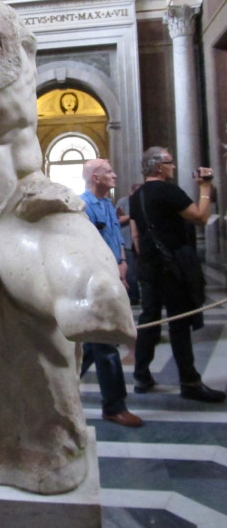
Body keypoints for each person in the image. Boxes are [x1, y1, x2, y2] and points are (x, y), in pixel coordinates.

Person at [130, 146, 225, 402]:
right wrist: (205, 188)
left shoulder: (136, 196)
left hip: (149, 265)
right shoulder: (169, 191)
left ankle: (141, 375)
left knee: (148, 320)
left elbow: (137, 233)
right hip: (171, 267)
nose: (174, 166)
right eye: (170, 163)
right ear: (158, 166)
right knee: (179, 323)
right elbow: (199, 217)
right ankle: (190, 382)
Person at [80, 159, 143, 427]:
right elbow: (86, 247)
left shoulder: (107, 204)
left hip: (113, 277)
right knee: (106, 343)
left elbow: (115, 238)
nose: (115, 175)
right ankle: (114, 406)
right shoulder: (81, 207)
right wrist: (111, 272)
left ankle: (58, 386)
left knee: (94, 345)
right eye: (108, 171)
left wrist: (122, 263)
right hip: (97, 283)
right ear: (95, 177)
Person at [116, 183, 142, 305]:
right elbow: (118, 219)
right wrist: (132, 215)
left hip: (142, 240)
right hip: (127, 239)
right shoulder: (123, 202)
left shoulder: (144, 200)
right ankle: (133, 296)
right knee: (130, 271)